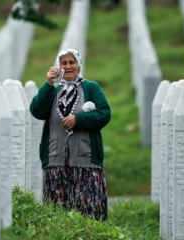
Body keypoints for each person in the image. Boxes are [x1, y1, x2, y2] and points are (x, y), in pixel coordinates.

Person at [30, 48, 111, 220]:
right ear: (58, 66)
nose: (68, 66)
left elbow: (104, 114)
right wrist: (48, 84)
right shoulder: (53, 91)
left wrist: (79, 119)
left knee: (90, 213)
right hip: (55, 161)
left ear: (78, 65)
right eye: (64, 63)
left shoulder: (91, 88)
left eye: (71, 62)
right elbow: (36, 111)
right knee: (58, 214)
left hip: (86, 162)